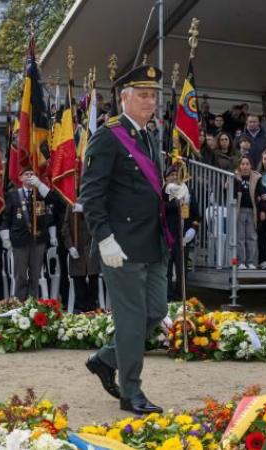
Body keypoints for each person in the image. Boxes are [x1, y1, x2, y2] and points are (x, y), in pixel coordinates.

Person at [81, 65, 185, 414]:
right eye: (142, 94)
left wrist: (170, 189)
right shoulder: (108, 135)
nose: (149, 101)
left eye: (153, 95)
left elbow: (145, 186)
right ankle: (131, 392)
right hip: (121, 245)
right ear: (124, 98)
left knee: (155, 311)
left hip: (153, 241)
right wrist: (105, 239)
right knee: (130, 318)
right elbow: (91, 195)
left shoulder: (149, 136)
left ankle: (105, 359)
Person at [0, 168, 57, 301]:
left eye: (32, 174)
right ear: (20, 178)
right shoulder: (13, 195)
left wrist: (40, 185)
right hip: (19, 240)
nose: (30, 176)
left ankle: (32, 303)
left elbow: (53, 200)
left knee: (35, 273)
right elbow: (6, 218)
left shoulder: (40, 193)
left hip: (38, 239)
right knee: (20, 274)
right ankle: (19, 302)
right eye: (26, 174)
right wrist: (5, 238)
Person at [163, 165, 200, 300]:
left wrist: (193, 230)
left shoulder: (188, 191)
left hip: (182, 236)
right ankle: (166, 298)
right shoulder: (162, 193)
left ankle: (180, 298)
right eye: (171, 175)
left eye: (176, 175)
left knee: (181, 270)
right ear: (166, 178)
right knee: (165, 270)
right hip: (166, 236)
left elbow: (196, 216)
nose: (174, 177)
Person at [61, 202, 100, 312]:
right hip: (77, 249)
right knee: (79, 285)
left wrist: (85, 209)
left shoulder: (94, 203)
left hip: (92, 250)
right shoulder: (70, 204)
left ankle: (93, 310)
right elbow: (65, 228)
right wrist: (70, 246)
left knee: (93, 283)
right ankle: (80, 311)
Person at [234, 156, 264, 269]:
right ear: (239, 166)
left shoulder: (257, 177)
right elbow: (229, 193)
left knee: (251, 237)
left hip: (252, 210)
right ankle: (241, 262)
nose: (245, 166)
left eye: (247, 164)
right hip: (239, 211)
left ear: (251, 166)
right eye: (242, 164)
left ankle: (250, 262)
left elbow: (261, 195)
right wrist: (226, 187)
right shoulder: (234, 177)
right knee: (240, 237)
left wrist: (262, 210)